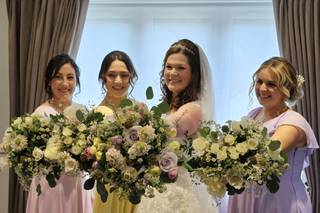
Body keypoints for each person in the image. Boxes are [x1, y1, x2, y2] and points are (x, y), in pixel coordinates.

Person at [135, 39, 218, 213]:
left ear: (194, 73)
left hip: (179, 194)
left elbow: (159, 136)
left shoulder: (193, 109)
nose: (173, 73)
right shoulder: (168, 106)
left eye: (181, 68)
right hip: (158, 188)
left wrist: (139, 120)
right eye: (169, 67)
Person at [227, 57, 319, 213]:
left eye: (271, 84)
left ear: (287, 88)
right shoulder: (253, 114)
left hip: (279, 202)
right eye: (259, 81)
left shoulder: (293, 122)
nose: (262, 88)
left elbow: (266, 155)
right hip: (247, 198)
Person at [26, 54, 92, 213]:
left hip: (78, 185)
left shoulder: (82, 112)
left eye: (70, 77)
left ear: (76, 81)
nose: (65, 83)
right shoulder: (40, 114)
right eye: (58, 77)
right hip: (52, 187)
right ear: (49, 82)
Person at [93, 50, 138, 213]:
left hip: (134, 187)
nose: (118, 81)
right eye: (112, 75)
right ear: (103, 77)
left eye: (124, 75)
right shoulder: (96, 115)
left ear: (131, 77)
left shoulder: (140, 112)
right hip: (107, 188)